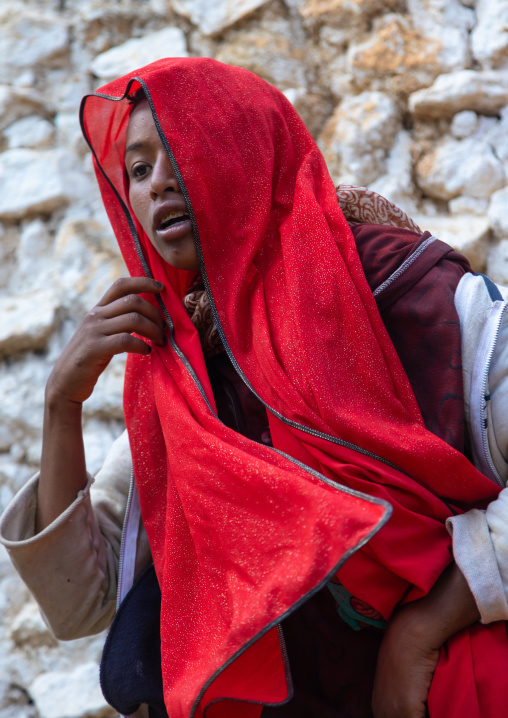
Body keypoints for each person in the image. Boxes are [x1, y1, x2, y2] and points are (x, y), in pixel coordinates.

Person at [2, 58, 508, 718]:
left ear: (244, 146)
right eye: (137, 168)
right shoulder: (189, 382)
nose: (156, 185)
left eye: (177, 150)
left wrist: (423, 628)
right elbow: (83, 604)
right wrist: (61, 405)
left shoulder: (415, 299)